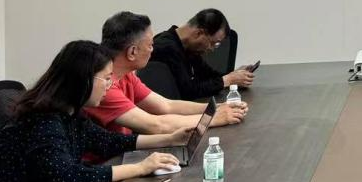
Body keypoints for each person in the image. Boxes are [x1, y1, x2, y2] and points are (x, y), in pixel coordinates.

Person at [0, 41, 190, 182]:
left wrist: (170, 138)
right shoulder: (44, 121)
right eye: (106, 79)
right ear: (83, 79)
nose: (110, 86)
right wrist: (140, 168)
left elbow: (107, 141)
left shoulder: (69, 114)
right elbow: (70, 175)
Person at [85, 11, 247, 136]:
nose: (153, 50)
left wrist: (216, 108)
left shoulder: (126, 75)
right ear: (132, 52)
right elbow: (156, 125)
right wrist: (214, 118)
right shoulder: (104, 86)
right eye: (150, 45)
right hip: (107, 163)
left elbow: (166, 106)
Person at [149, 8, 255, 101]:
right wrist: (227, 80)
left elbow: (208, 74)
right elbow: (187, 92)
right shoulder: (166, 48)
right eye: (213, 43)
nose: (212, 49)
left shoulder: (188, 47)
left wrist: (234, 75)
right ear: (198, 33)